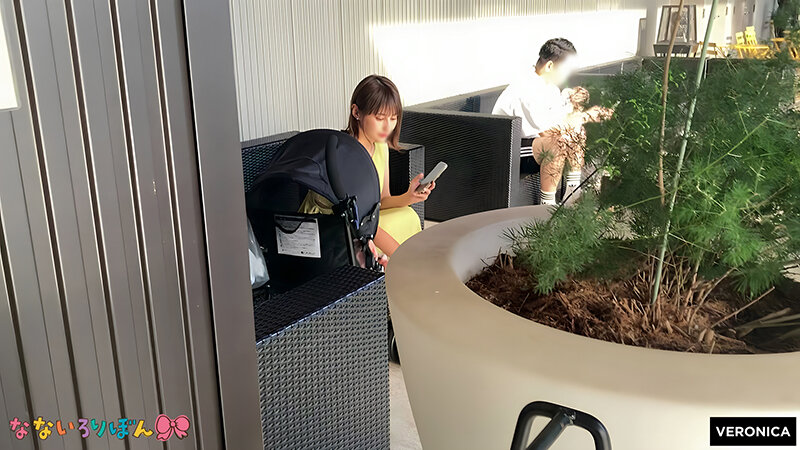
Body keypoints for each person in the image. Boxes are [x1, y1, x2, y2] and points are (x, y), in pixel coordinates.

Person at [300, 75, 431, 258]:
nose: (388, 127)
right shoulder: (343, 152)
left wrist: (409, 197)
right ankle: (402, 264)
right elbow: (358, 219)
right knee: (388, 233)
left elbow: (381, 201)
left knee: (408, 215)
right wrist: (404, 258)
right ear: (356, 112)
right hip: (330, 222)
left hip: (361, 218)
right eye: (380, 118)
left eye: (393, 118)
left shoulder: (380, 146)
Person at [492, 38, 612, 205]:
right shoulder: (525, 88)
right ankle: (546, 206)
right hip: (507, 150)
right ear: (549, 66)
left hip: (532, 144)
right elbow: (550, 132)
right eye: (566, 69)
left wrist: (574, 104)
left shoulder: (550, 88)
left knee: (577, 132)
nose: (568, 75)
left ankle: (573, 192)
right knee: (557, 144)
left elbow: (563, 121)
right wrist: (586, 116)